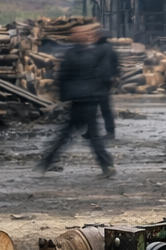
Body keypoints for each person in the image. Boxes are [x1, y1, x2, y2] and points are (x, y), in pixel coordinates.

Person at [34, 23, 115, 178]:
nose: (71, 36)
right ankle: (107, 166)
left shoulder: (74, 54)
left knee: (68, 135)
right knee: (87, 135)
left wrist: (63, 97)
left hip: (81, 100)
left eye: (74, 34)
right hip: (88, 99)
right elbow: (102, 75)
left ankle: (45, 163)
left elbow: (63, 77)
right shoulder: (92, 53)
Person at [91, 29, 119, 140]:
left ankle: (92, 131)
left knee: (92, 108)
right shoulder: (110, 48)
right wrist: (115, 75)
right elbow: (115, 63)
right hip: (106, 81)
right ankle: (110, 131)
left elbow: (91, 64)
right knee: (106, 108)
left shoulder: (94, 48)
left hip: (96, 81)